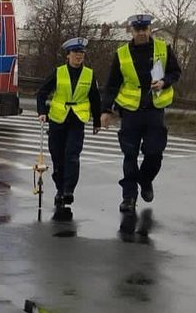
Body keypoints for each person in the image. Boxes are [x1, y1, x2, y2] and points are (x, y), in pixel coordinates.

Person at [100, 14, 182, 213]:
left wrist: (164, 82)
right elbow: (112, 84)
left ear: (150, 29)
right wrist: (105, 110)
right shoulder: (122, 53)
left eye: (145, 29)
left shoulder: (164, 49)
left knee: (154, 153)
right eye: (138, 30)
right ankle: (128, 197)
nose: (142, 33)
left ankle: (145, 180)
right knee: (130, 155)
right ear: (131, 31)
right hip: (130, 112)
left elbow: (175, 72)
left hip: (154, 110)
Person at [36, 37, 102, 221]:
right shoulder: (58, 72)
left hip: (77, 119)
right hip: (57, 119)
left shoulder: (89, 74)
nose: (78, 56)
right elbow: (42, 92)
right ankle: (59, 189)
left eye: (81, 53)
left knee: (72, 155)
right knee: (58, 156)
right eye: (75, 53)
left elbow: (95, 98)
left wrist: (97, 121)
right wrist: (42, 111)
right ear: (68, 55)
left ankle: (68, 190)